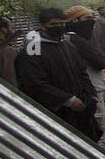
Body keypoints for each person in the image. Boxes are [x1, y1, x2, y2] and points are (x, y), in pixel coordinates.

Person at [16, 8, 100, 141]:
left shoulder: (67, 45)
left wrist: (91, 96)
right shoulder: (33, 50)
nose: (59, 27)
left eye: (62, 23)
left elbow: (82, 72)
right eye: (54, 24)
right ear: (43, 26)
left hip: (81, 110)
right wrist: (68, 100)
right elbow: (34, 83)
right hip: (56, 112)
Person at [65, 6, 105, 136]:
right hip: (90, 88)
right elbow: (99, 62)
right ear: (75, 20)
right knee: (96, 126)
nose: (91, 22)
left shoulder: (75, 38)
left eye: (92, 18)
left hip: (83, 88)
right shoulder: (75, 40)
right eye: (87, 18)